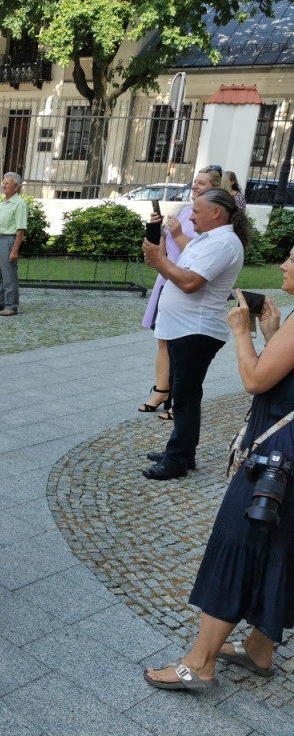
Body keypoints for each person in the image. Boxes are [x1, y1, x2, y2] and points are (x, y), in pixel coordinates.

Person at [143, 274, 294, 691]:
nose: (284, 265)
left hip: (276, 460)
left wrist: (240, 332)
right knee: (280, 547)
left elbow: (256, 380)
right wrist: (274, 336)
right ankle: (259, 649)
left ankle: (200, 662)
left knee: (237, 540)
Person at [141, 188, 247, 480]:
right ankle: (182, 452)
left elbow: (190, 283)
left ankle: (177, 460)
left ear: (216, 213)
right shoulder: (205, 239)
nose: (191, 216)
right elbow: (173, 270)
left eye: (197, 211)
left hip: (196, 330)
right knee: (182, 393)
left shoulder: (224, 243)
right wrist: (157, 248)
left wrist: (160, 260)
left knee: (185, 395)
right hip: (183, 328)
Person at [139, 166, 224, 416]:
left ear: (215, 190)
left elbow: (197, 252)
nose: (196, 186)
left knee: (181, 345)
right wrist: (155, 229)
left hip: (185, 279)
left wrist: (176, 234)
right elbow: (161, 248)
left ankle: (178, 400)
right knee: (163, 340)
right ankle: (161, 390)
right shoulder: (187, 210)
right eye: (195, 182)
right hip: (166, 279)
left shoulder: (211, 220)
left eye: (203, 183)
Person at [0, 172, 27, 317]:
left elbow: (21, 229)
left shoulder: (19, 204)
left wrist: (14, 249)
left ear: (16, 187)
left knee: (9, 275)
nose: (3, 185)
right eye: (3, 182)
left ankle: (11, 305)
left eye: (7, 183)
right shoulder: (3, 201)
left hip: (9, 240)